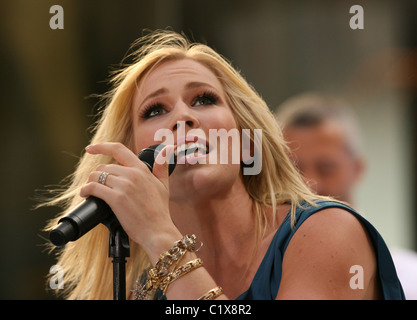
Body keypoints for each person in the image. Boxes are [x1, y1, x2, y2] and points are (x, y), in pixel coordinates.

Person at [44, 30, 404, 300]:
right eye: (155, 110)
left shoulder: (325, 231)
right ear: (131, 157)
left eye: (203, 99)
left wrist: (161, 237)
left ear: (246, 135)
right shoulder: (144, 284)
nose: (182, 117)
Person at [276, 92, 416, 299]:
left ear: (357, 168)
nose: (309, 183)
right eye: (293, 170)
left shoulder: (409, 279)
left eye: (326, 168)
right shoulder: (251, 274)